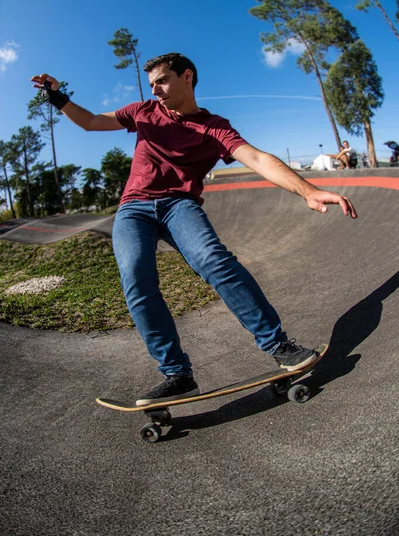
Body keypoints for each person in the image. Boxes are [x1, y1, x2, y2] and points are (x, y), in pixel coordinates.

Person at [31, 53, 357, 406]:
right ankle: (177, 374)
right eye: (152, 83)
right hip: (133, 208)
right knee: (136, 279)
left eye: (163, 80)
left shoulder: (214, 127)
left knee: (215, 261)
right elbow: (92, 121)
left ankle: (279, 345)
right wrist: (56, 96)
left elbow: (258, 158)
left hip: (179, 205)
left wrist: (307, 190)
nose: (156, 89)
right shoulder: (142, 112)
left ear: (187, 77)